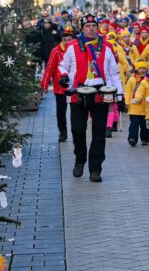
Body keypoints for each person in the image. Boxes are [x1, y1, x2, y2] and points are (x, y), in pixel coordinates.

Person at [58, 13, 125, 182]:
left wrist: (120, 96)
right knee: (77, 130)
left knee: (99, 133)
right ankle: (80, 159)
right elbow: (62, 66)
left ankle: (95, 169)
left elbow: (114, 73)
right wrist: (64, 76)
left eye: (94, 26)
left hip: (101, 94)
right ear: (82, 28)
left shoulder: (107, 47)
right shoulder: (72, 46)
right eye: (87, 26)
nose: (91, 29)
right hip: (78, 94)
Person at [40, 25, 75, 142]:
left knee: (76, 111)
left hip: (74, 87)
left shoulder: (77, 50)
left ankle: (76, 131)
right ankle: (63, 132)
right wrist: (44, 84)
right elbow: (49, 68)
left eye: (69, 39)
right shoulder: (56, 51)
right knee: (61, 112)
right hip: (60, 88)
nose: (67, 42)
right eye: (64, 40)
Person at [125, 60, 148, 146]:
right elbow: (128, 91)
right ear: (136, 69)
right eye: (140, 68)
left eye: (144, 68)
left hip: (145, 107)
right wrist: (127, 102)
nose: (142, 70)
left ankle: (145, 139)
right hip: (134, 107)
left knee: (145, 125)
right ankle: (132, 138)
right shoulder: (132, 79)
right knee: (133, 125)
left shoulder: (147, 79)